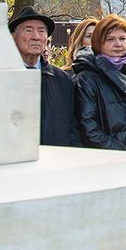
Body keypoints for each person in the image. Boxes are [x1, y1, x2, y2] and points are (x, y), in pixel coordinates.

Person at [72, 16, 126, 151]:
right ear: (98, 43)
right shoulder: (86, 78)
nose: (118, 44)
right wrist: (123, 154)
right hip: (108, 160)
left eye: (122, 38)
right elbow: (88, 126)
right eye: (110, 39)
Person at [9, 8, 79, 147]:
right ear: (13, 36)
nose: (36, 36)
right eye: (28, 30)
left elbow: (73, 128)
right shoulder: (0, 77)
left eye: (41, 31)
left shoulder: (62, 80)